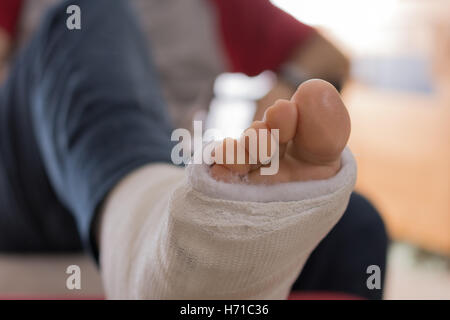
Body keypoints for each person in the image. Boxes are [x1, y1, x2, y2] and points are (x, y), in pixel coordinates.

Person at [0, 0, 388, 299]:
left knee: (354, 224)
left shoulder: (219, 7)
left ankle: (172, 238)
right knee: (88, 12)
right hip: (33, 180)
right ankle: (148, 242)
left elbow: (329, 55)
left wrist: (286, 84)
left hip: (168, 169)